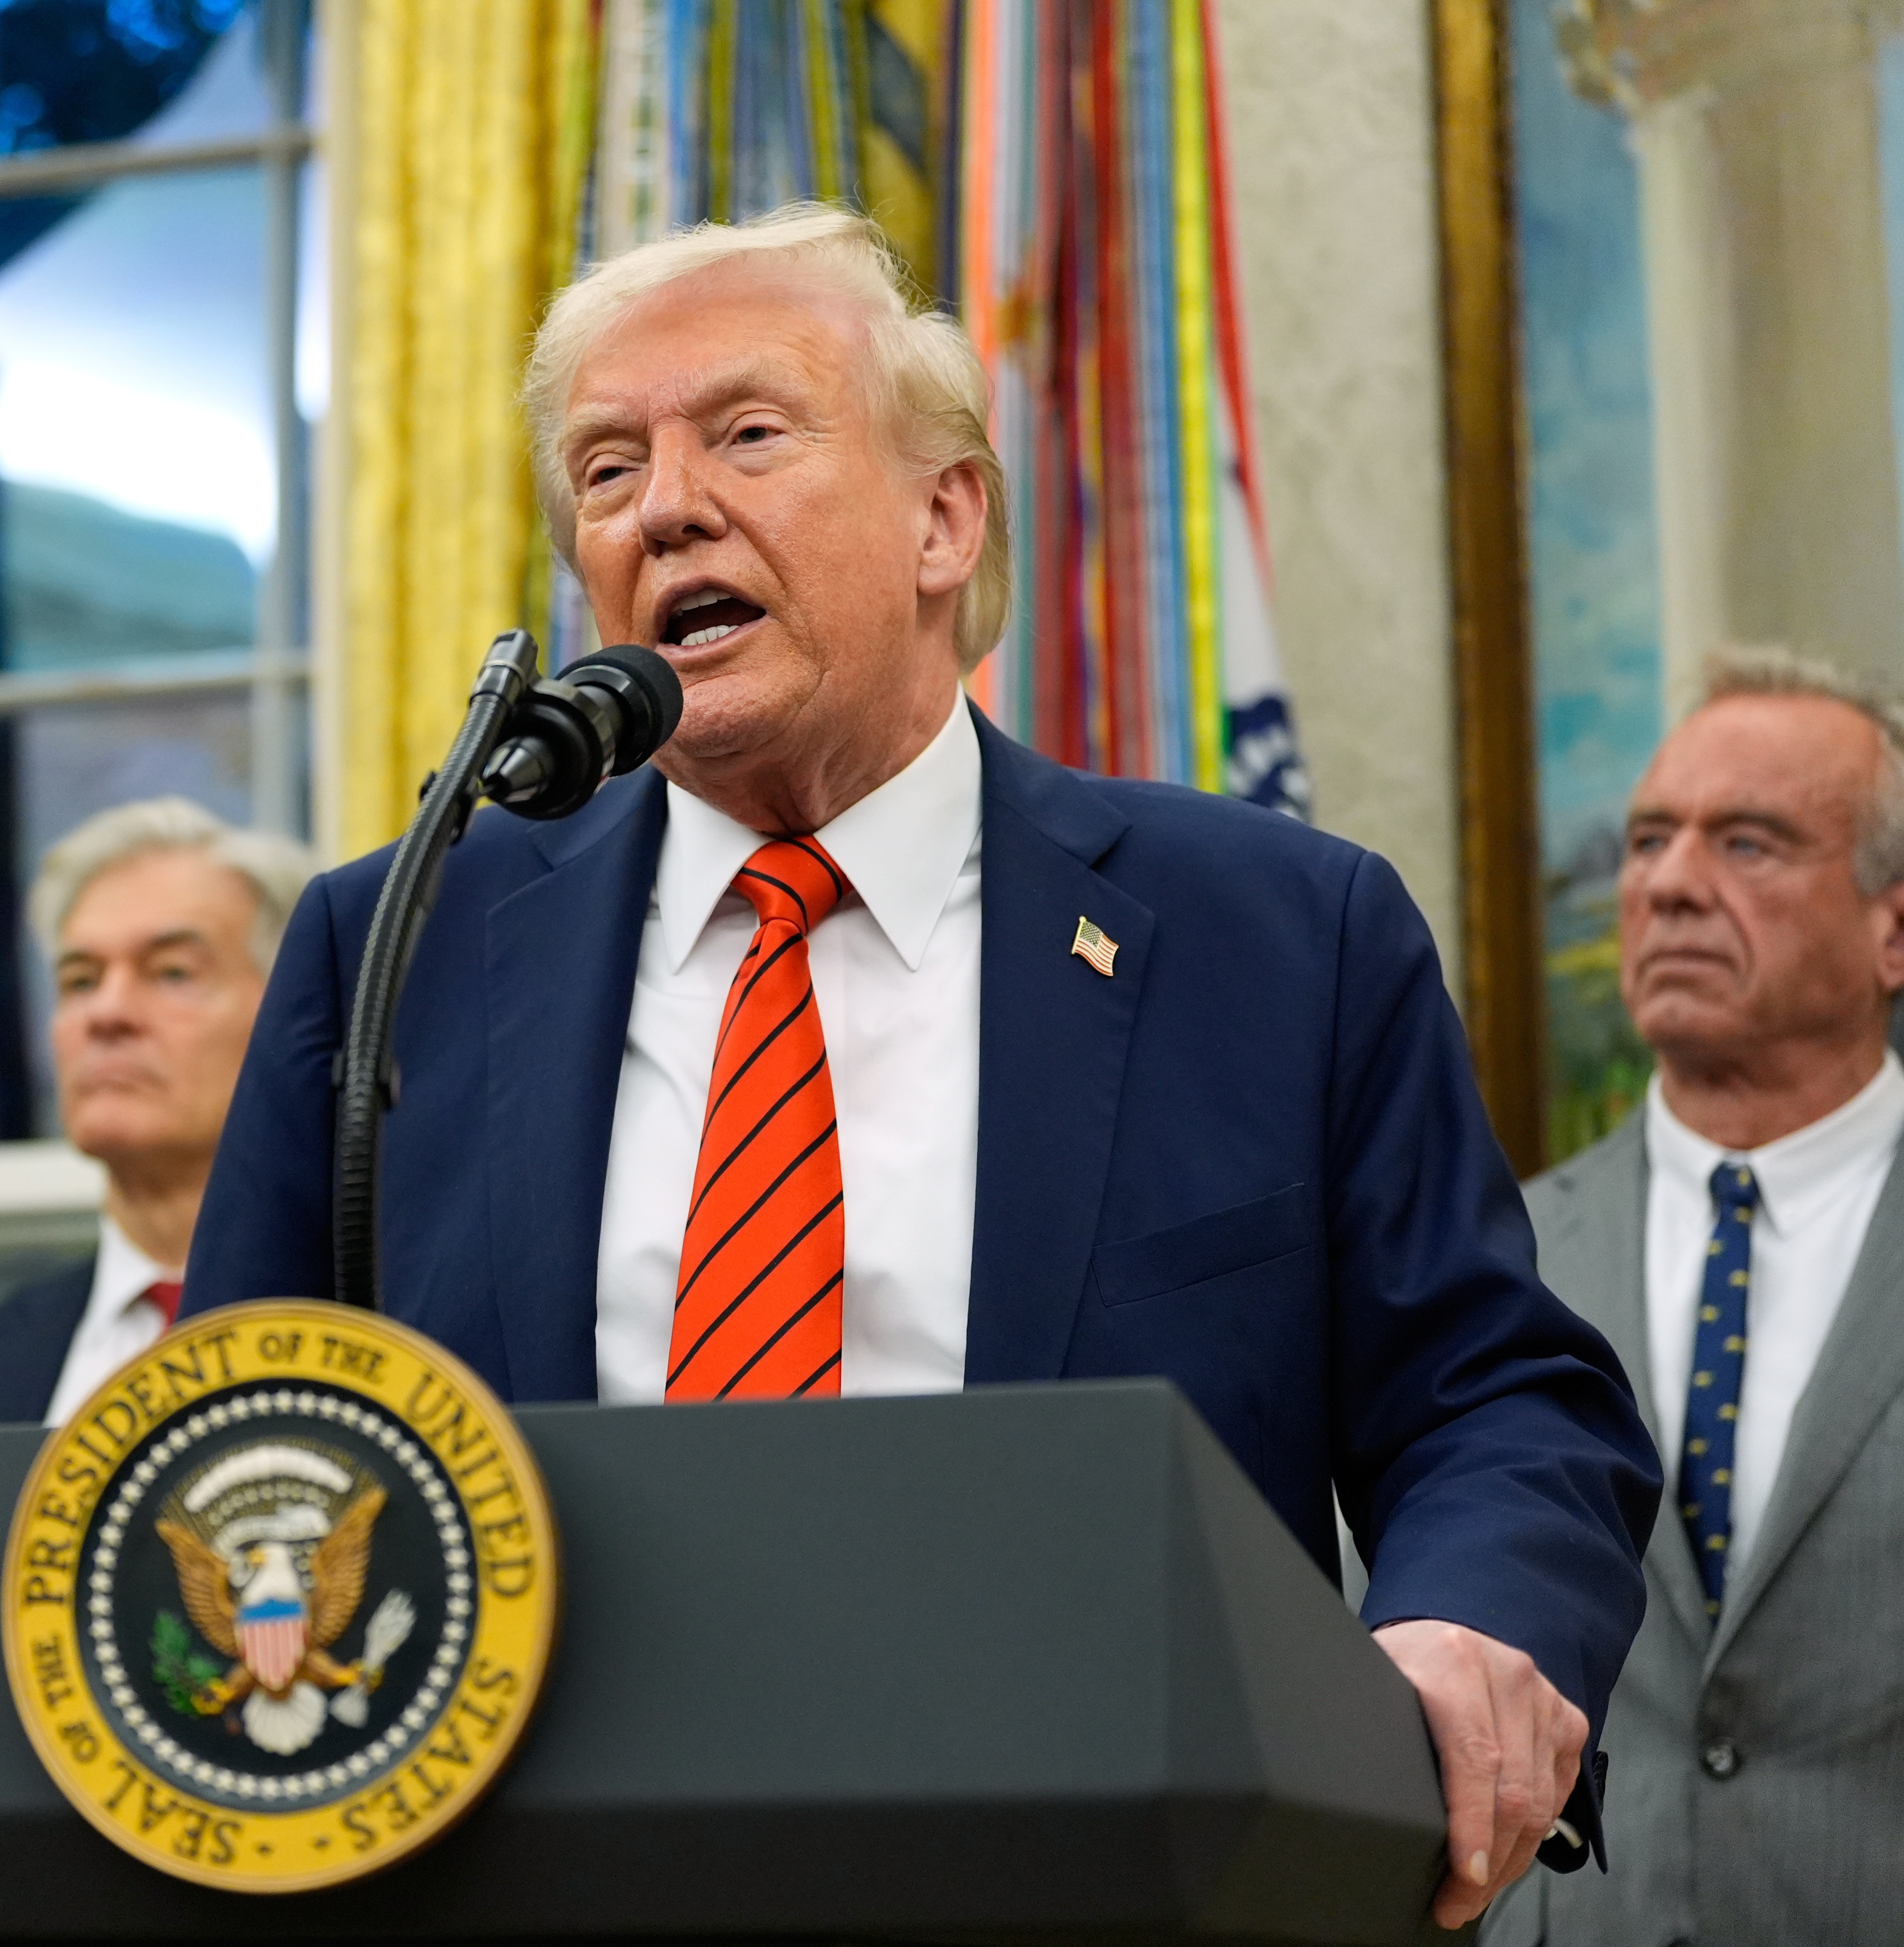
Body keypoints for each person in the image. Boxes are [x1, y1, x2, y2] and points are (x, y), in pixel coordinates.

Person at [183, 205, 1659, 1929]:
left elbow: (1492, 1400)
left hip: (1101, 1887)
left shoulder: (1276, 937)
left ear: (944, 517)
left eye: (746, 433)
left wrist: (1470, 1625)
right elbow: (236, 1453)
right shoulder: (403, 949)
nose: (665, 507)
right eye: (605, 470)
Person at [1485, 651, 1904, 1947]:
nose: (1669, 884)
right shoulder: (1493, 1260)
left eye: (1751, 844)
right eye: (1651, 840)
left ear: (1892, 925)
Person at [0, 799, 311, 1426]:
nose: (106, 1015)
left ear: (297, 1016)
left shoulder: (396, 1336)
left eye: (170, 973)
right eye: (80, 981)